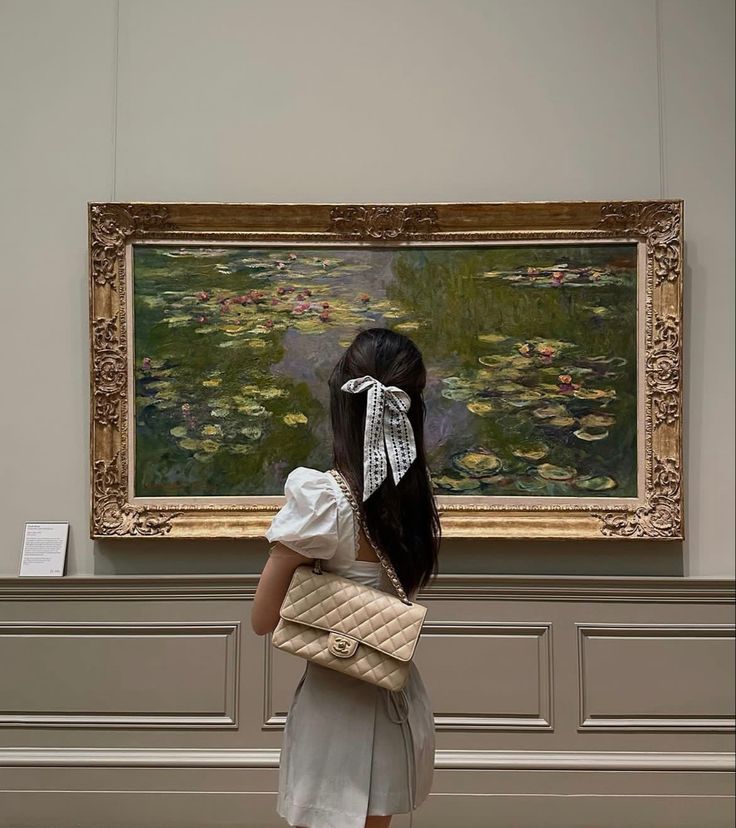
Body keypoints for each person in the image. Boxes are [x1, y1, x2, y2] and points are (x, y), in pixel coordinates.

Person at [252, 327, 441, 828]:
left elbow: (262, 618)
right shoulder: (412, 501)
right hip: (392, 692)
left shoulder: (324, 501)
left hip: (335, 705)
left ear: (344, 404)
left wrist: (295, 561)